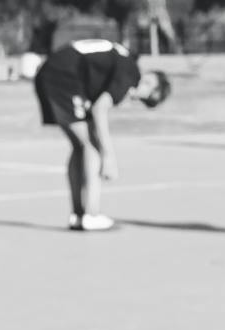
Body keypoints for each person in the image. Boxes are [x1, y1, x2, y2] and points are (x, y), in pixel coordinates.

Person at [32, 38, 171, 231]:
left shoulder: (118, 62)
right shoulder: (130, 72)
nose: (142, 91)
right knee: (93, 148)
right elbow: (99, 109)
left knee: (80, 146)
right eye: (149, 88)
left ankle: (78, 215)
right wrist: (109, 156)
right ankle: (91, 214)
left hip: (50, 73)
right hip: (63, 77)